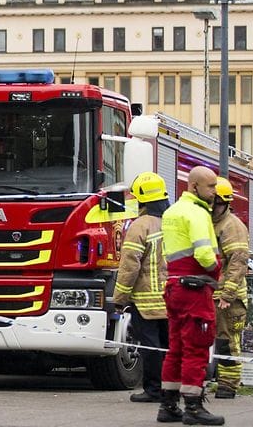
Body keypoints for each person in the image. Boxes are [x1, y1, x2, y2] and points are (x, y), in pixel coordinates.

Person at [158, 165, 223, 425]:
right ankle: (194, 408)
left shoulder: (172, 211)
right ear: (194, 186)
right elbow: (204, 254)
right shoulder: (197, 213)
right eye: (211, 186)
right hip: (195, 289)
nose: (215, 192)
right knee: (196, 347)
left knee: (175, 348)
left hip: (174, 287)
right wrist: (216, 269)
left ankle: (168, 405)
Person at [113, 172, 171, 404]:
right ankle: (170, 389)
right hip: (172, 298)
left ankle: (153, 390)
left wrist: (120, 298)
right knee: (168, 346)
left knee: (150, 347)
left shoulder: (140, 226)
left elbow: (129, 265)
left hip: (146, 302)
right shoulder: (172, 223)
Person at [211, 177, 250, 400]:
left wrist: (227, 294)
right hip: (212, 293)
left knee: (227, 342)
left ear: (225, 202)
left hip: (229, 298)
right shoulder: (210, 222)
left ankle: (228, 385)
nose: (213, 207)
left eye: (217, 203)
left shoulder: (232, 226)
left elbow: (238, 262)